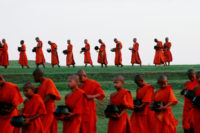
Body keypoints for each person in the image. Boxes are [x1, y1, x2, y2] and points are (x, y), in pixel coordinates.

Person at [32, 68, 61, 133]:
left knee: (43, 129)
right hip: (42, 111)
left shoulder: (48, 81)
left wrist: (40, 104)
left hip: (49, 110)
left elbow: (49, 95)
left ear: (38, 75)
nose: (34, 78)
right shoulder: (40, 86)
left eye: (34, 76)